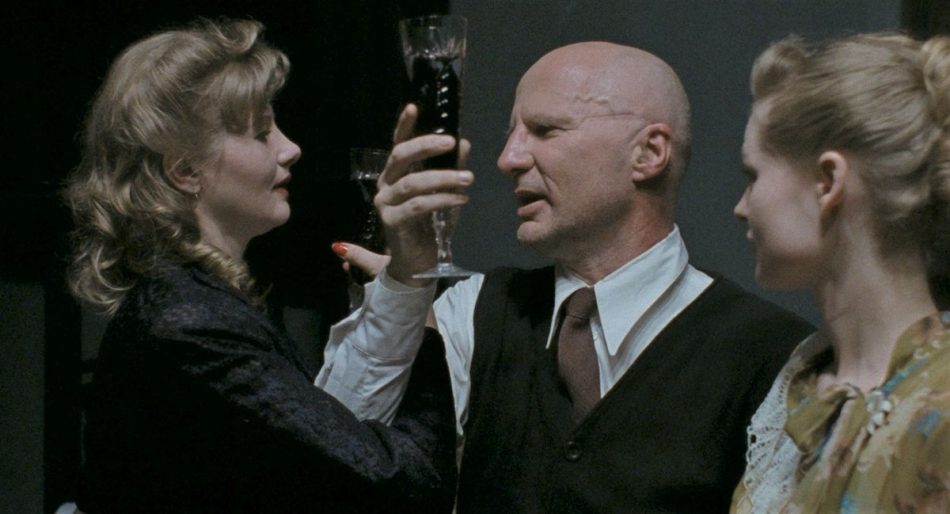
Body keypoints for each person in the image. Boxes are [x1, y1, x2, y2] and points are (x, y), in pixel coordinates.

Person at [318, 42, 814, 512]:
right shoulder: (475, 309)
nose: (508, 159)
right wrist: (405, 280)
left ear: (649, 153)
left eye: (545, 130)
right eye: (512, 134)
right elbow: (338, 458)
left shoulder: (775, 355)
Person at [65, 17, 456, 513]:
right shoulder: (190, 323)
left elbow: (325, 456)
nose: (291, 149)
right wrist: (422, 325)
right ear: (184, 169)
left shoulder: (197, 298)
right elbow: (404, 486)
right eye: (261, 133)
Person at [730, 33, 950, 513]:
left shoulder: (942, 398)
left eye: (754, 176)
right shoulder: (798, 389)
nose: (741, 208)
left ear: (827, 182)